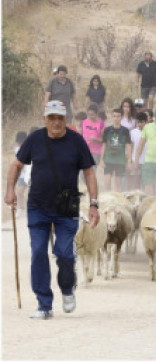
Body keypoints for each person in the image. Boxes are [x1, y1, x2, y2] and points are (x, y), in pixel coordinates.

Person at [5, 101, 100, 320]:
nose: (56, 122)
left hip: (66, 207)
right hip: (38, 206)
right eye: (51, 118)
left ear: (66, 119)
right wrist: (10, 190)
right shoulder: (35, 139)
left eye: (60, 118)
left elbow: (89, 173)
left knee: (64, 254)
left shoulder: (76, 141)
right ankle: (44, 304)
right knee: (38, 252)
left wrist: (94, 204)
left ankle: (67, 288)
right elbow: (16, 165)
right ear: (44, 119)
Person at [100, 108, 132, 192]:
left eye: (118, 116)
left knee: (118, 183)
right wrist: (101, 160)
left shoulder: (125, 131)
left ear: (121, 117)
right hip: (108, 159)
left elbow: (128, 146)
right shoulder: (107, 130)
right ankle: (108, 198)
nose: (116, 118)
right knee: (107, 182)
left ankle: (117, 199)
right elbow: (104, 145)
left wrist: (129, 161)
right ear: (111, 117)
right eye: (114, 116)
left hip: (120, 160)